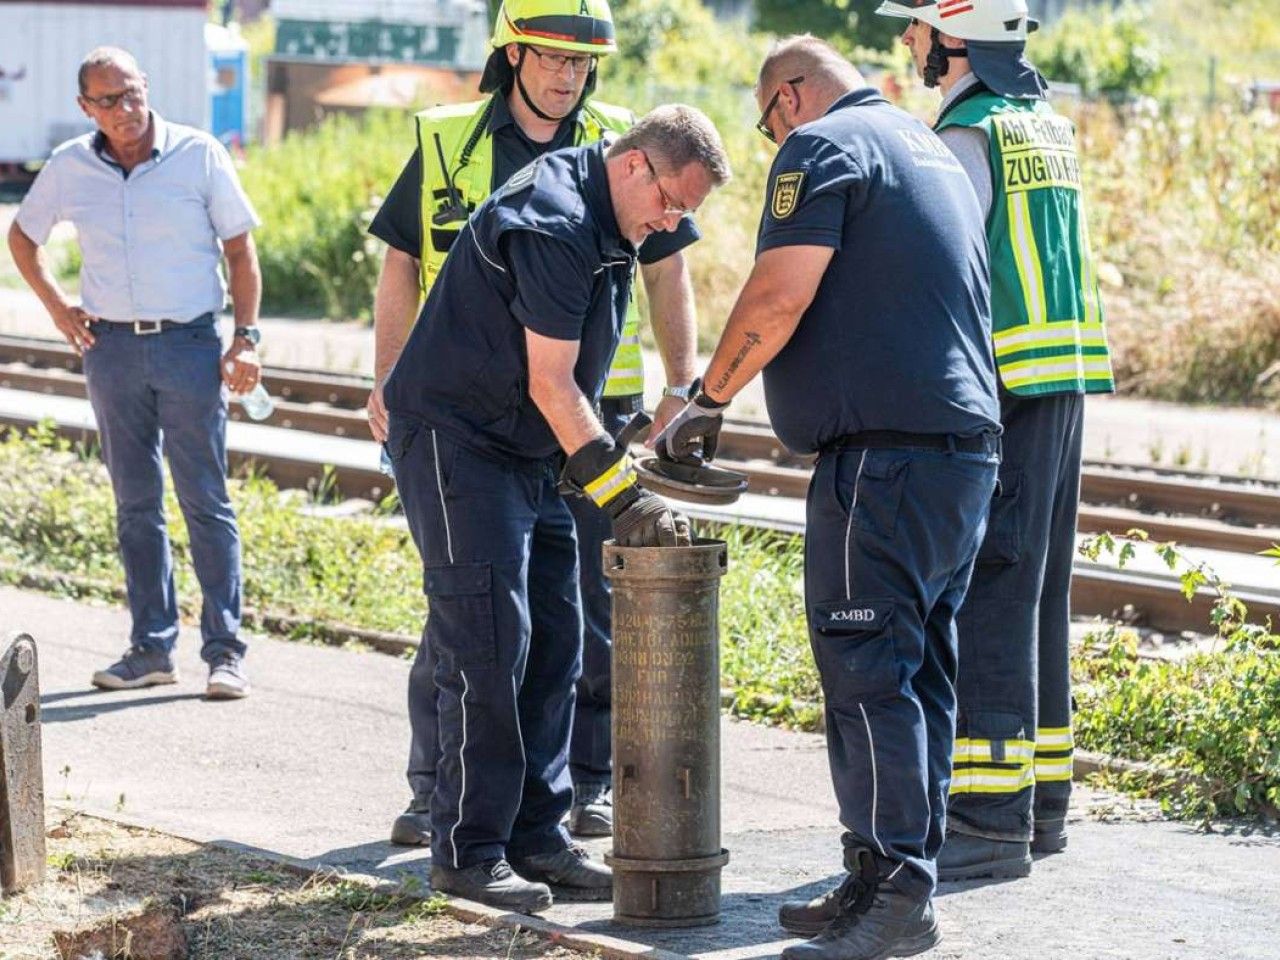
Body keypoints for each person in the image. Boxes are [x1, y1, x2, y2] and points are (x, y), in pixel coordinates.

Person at [652, 37, 999, 960]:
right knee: (917, 672)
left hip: (880, 465)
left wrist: (707, 401)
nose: (775, 143)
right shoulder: (925, 147)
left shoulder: (824, 147)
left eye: (769, 125)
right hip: (960, 456)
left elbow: (779, 292)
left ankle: (898, 895)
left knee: (867, 673)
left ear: (792, 96)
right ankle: (880, 873)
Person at [364, 0, 701, 847]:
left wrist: (682, 385)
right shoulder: (463, 149)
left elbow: (667, 272)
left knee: (558, 627)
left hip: (565, 424)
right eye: (551, 58)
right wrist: (385, 376)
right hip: (473, 418)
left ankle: (540, 824)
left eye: (582, 64)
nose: (567, 76)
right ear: (513, 55)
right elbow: (404, 262)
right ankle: (462, 830)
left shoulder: (626, 147)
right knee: (481, 625)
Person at [877, 0, 1115, 878]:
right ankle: (1044, 806)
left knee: (993, 593)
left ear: (956, 38)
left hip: (1006, 382)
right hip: (1065, 376)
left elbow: (951, 261)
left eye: (918, 29)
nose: (909, 42)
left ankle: (988, 819)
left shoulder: (970, 132)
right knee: (1043, 590)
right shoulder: (1042, 123)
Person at [7, 47, 262, 700]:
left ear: (145, 88)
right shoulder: (69, 166)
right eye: (109, 100)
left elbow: (240, 251)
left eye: (133, 93)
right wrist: (59, 307)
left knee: (205, 500)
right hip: (112, 351)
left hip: (189, 347)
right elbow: (22, 237)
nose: (126, 109)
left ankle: (224, 651)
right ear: (85, 107)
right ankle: (151, 647)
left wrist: (246, 338)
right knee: (135, 506)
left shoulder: (198, 153)